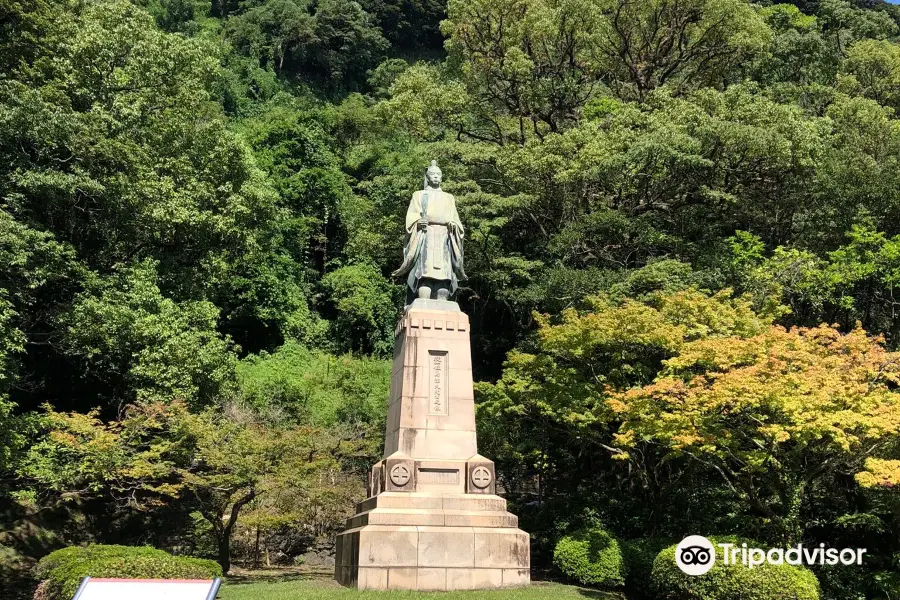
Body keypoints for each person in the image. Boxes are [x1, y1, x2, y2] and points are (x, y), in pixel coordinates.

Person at [392, 161, 467, 303]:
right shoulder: (419, 195)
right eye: (432, 174)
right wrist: (418, 223)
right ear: (427, 177)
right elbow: (412, 217)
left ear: (442, 177)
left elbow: (456, 220)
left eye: (438, 174)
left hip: (444, 238)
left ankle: (443, 299)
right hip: (426, 236)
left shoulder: (449, 198)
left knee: (445, 275)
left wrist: (453, 225)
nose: (436, 177)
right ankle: (422, 297)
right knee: (424, 272)